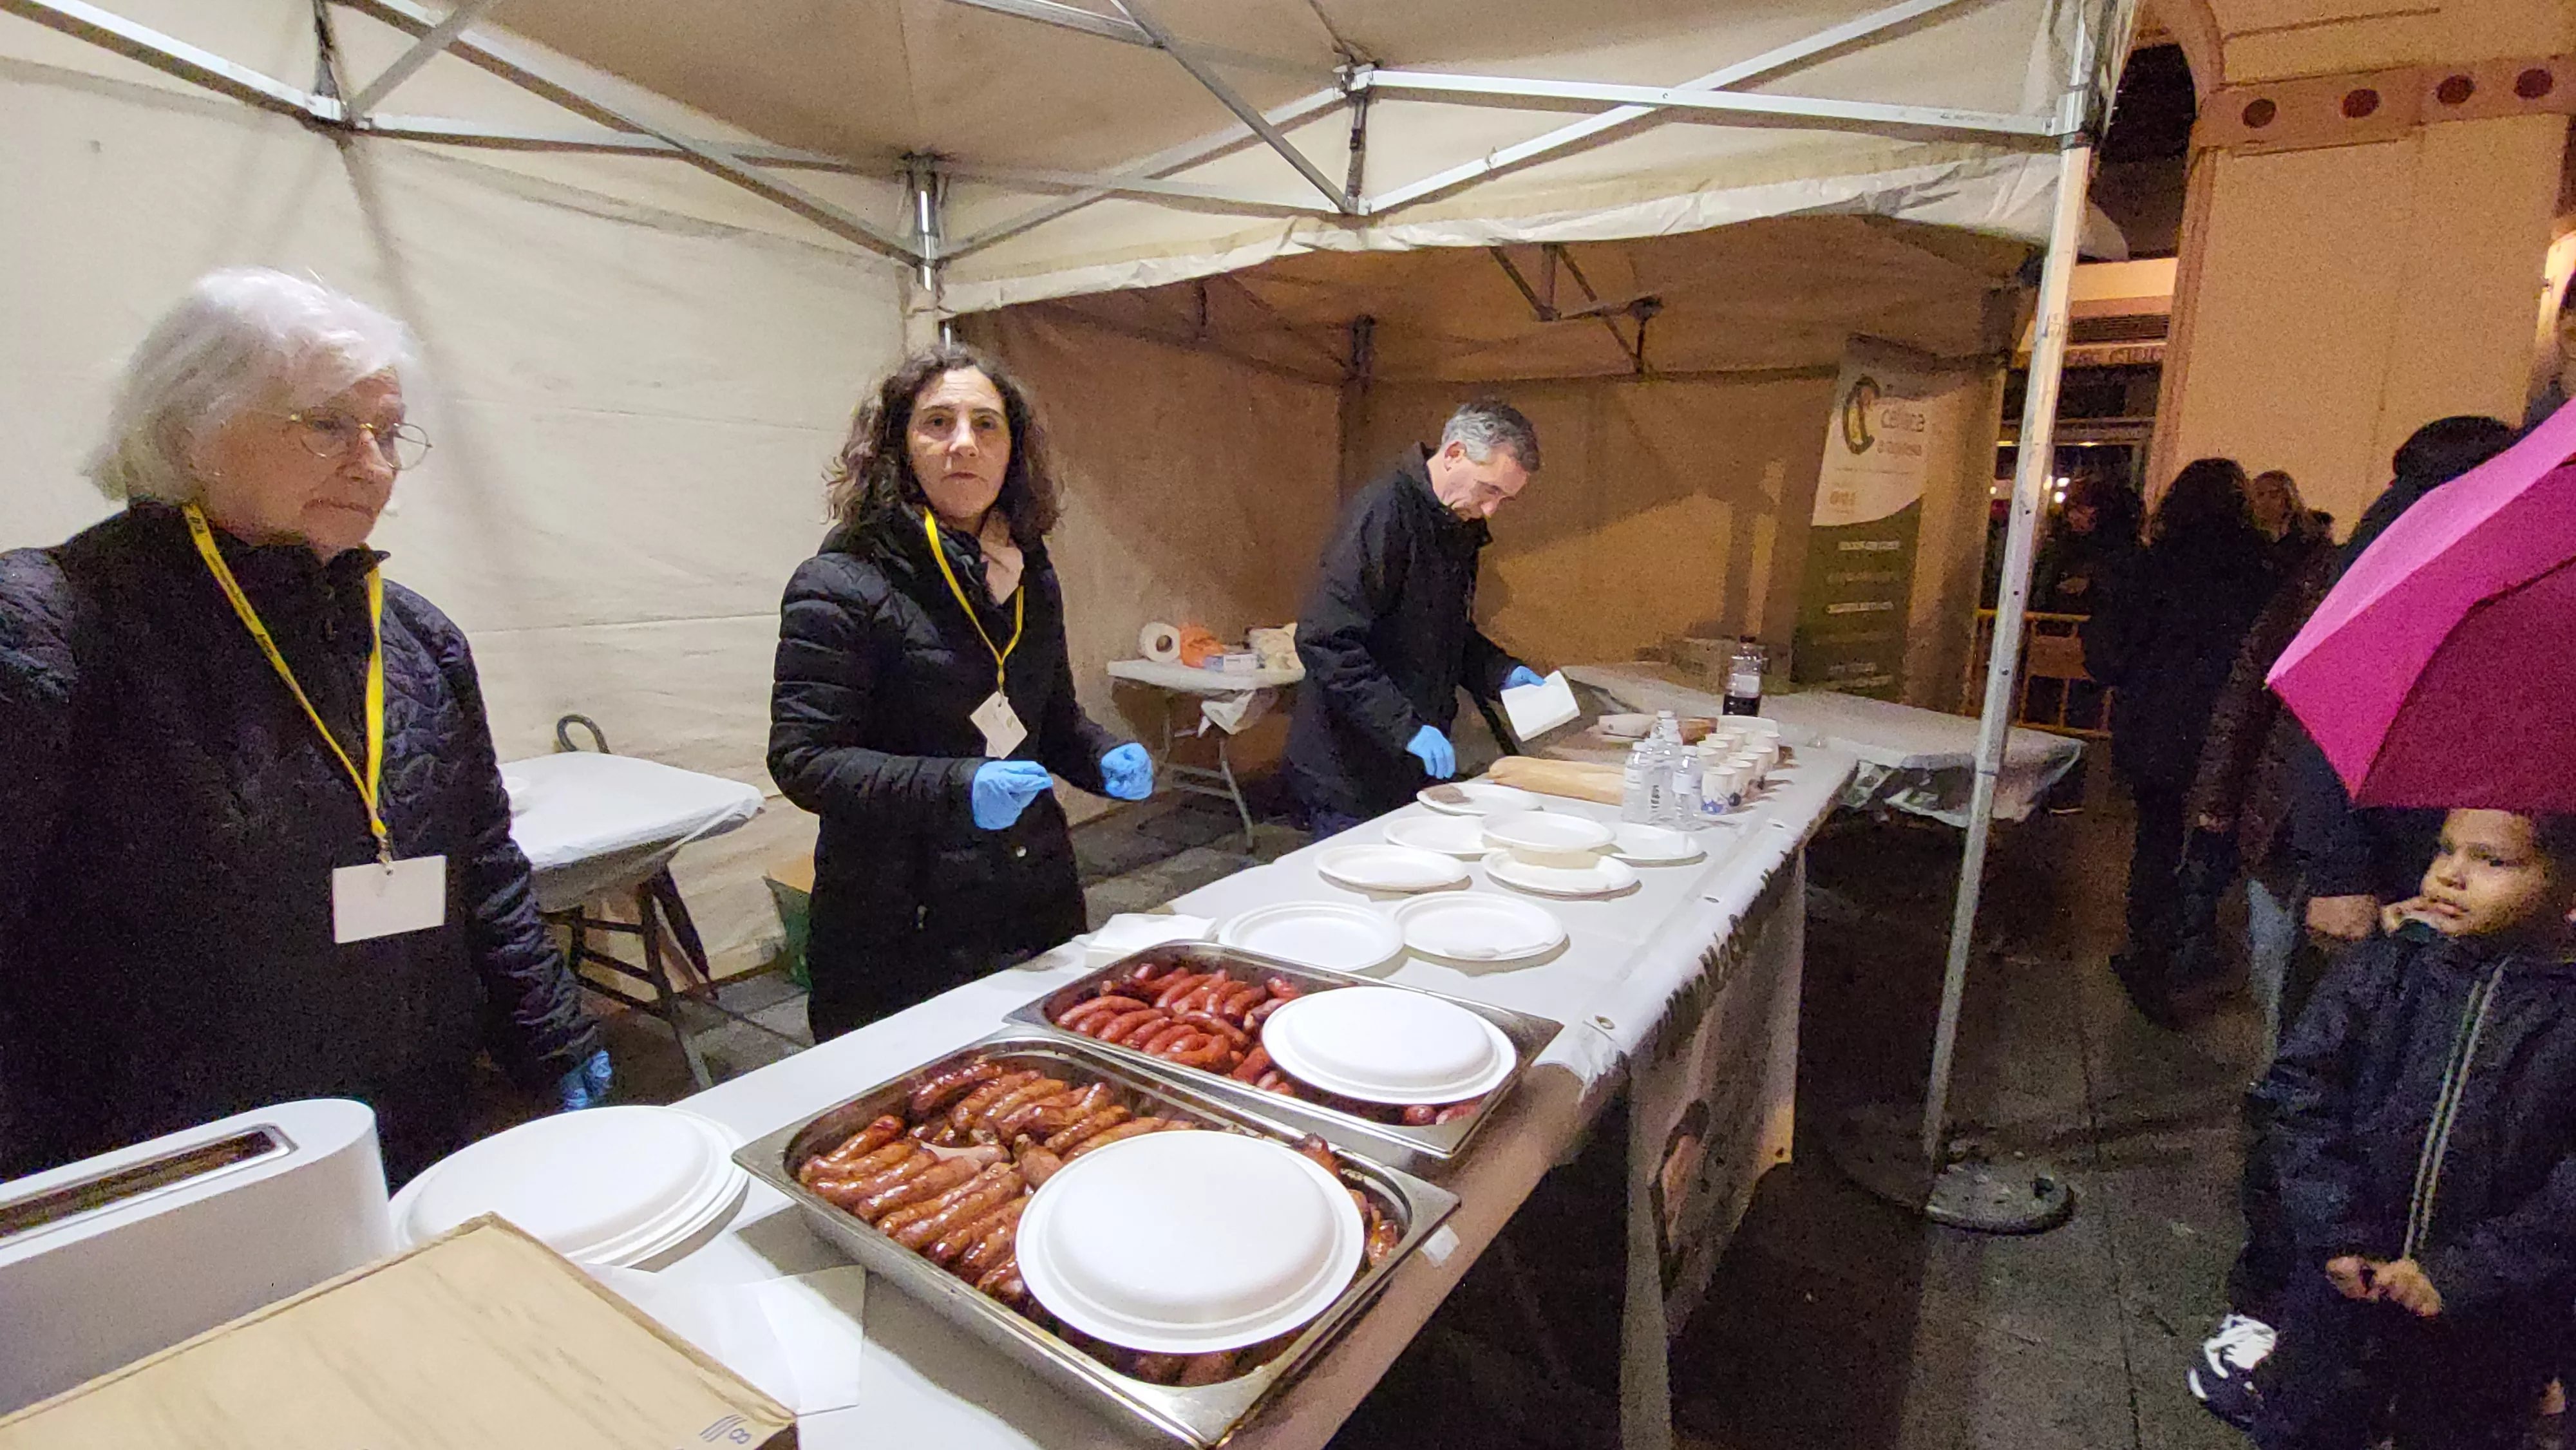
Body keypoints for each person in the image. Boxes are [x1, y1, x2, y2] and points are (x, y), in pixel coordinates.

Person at [0, 268, 605, 1187]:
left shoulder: (415, 636)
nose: (372, 464)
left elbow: (481, 866)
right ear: (186, 430)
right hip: (170, 1165)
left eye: (389, 432)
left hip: (410, 1128)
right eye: (327, 424)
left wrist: (551, 1035)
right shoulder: (52, 625)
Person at [2188, 419, 2521, 1430]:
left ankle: (2384, 1301)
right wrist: (2337, 863)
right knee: (2320, 1083)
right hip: (2381, 876)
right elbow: (2320, 706)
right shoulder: (2425, 528)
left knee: (2446, 1107)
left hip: (2476, 879)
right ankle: (2270, 1300)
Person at [769, 344, 1151, 1040]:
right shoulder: (840, 582)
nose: (963, 444)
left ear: (1013, 450)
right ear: (898, 446)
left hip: (1031, 901)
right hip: (899, 924)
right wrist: (957, 786)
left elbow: (1052, 718)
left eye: (986, 424)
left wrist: (1102, 755)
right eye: (937, 423)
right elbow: (804, 759)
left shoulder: (1029, 571)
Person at [2243, 809, 2576, 1450]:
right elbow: (2303, 1088)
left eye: (2491, 860)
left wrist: (2465, 1269)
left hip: (2487, 1311)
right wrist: (2337, 1229)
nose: (2451, 873)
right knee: (2308, 1420)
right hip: (2345, 1285)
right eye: (2445, 849)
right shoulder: (2392, 966)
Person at [1285, 400, 1546, 836]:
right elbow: (1325, 639)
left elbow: (1446, 633)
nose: (1490, 510)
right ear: (1455, 454)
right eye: (1489, 489)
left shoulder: (1455, 525)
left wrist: (1502, 673)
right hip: (1349, 770)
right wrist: (1405, 728)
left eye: (1504, 498)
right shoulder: (1384, 511)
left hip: (1408, 767)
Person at [2082, 457, 2280, 1024]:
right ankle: (2192, 946)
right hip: (2234, 732)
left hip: (2159, 729)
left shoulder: (2153, 568)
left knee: (2157, 841)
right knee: (2215, 844)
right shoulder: (2264, 572)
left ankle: (2151, 953)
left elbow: (2109, 656)